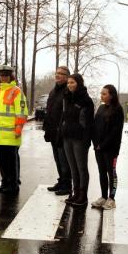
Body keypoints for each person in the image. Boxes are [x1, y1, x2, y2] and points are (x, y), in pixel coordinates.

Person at [0, 65, 29, 195]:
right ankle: (5, 182)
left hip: (11, 134)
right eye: (2, 75)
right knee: (2, 161)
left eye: (6, 76)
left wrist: (18, 129)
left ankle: (13, 184)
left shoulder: (16, 91)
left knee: (11, 162)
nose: (3, 78)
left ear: (11, 77)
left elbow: (22, 113)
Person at [60, 73, 94, 207]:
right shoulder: (66, 97)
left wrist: (87, 140)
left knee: (81, 168)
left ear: (79, 83)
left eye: (72, 82)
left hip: (80, 139)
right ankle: (76, 193)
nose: (69, 85)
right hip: (67, 137)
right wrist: (61, 132)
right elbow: (63, 117)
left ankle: (83, 196)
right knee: (73, 168)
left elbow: (89, 123)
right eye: (68, 83)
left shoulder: (86, 100)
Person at [91, 84, 124, 210]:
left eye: (104, 94)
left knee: (112, 173)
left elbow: (115, 132)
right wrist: (96, 143)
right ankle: (103, 197)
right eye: (101, 93)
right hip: (98, 148)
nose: (101, 96)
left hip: (111, 149)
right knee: (101, 172)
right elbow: (95, 126)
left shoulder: (118, 109)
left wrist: (103, 144)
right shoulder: (101, 108)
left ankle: (111, 199)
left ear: (111, 95)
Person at [43, 66, 72, 196]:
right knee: (57, 159)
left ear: (67, 77)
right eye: (56, 73)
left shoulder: (68, 92)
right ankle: (61, 181)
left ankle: (67, 185)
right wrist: (46, 128)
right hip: (52, 131)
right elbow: (49, 111)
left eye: (61, 73)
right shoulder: (53, 92)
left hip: (62, 132)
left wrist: (63, 128)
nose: (57, 75)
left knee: (64, 160)